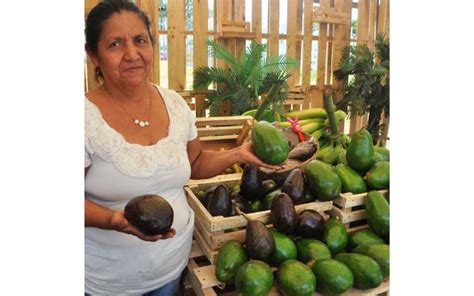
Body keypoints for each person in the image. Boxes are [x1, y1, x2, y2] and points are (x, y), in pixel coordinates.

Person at [84, 0, 279, 295]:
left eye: (140, 40)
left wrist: (238, 154)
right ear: (93, 56)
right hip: (107, 279)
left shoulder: (174, 104)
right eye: (115, 44)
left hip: (171, 267)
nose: (132, 54)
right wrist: (115, 221)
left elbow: (196, 162)